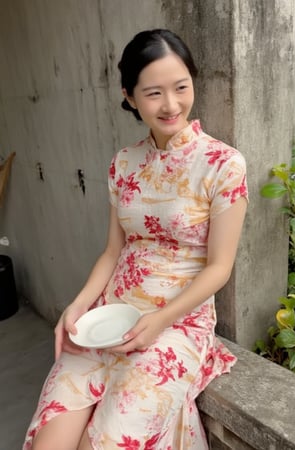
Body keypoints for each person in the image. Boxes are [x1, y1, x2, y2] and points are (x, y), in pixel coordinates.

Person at [23, 29, 248, 450]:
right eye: (154, 93)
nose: (171, 105)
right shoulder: (123, 162)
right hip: (109, 318)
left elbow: (220, 267)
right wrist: (77, 306)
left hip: (176, 324)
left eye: (181, 87)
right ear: (129, 96)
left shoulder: (223, 164)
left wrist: (158, 322)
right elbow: (113, 250)